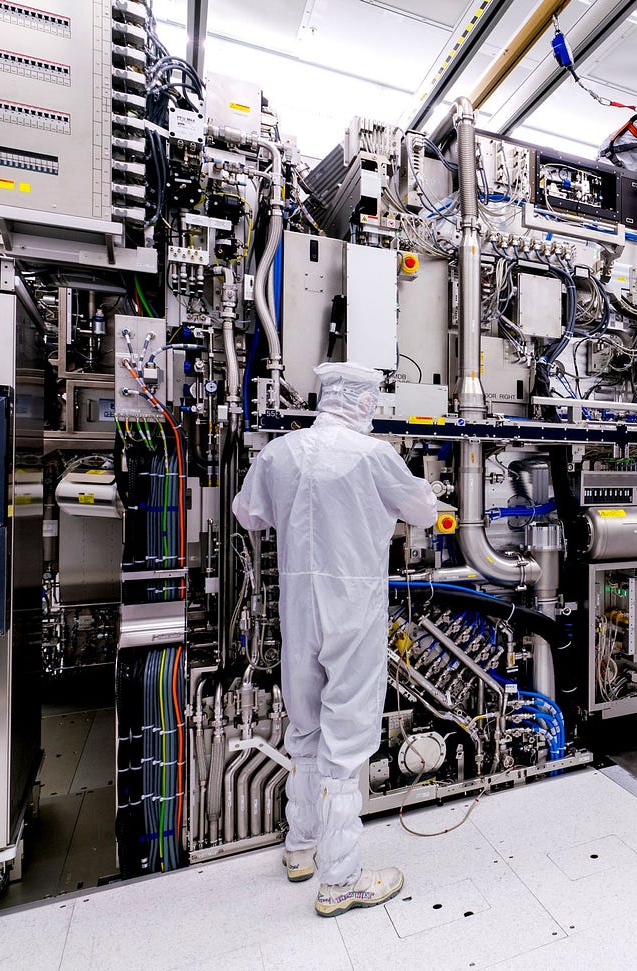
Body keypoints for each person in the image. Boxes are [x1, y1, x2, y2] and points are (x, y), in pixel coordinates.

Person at [231, 361, 436, 917]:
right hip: (352, 610)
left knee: (304, 727)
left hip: (299, 607)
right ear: (364, 403)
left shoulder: (280, 452)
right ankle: (341, 881)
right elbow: (422, 509)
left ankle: (300, 848)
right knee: (345, 742)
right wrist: (428, 491)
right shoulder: (374, 456)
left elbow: (248, 513)